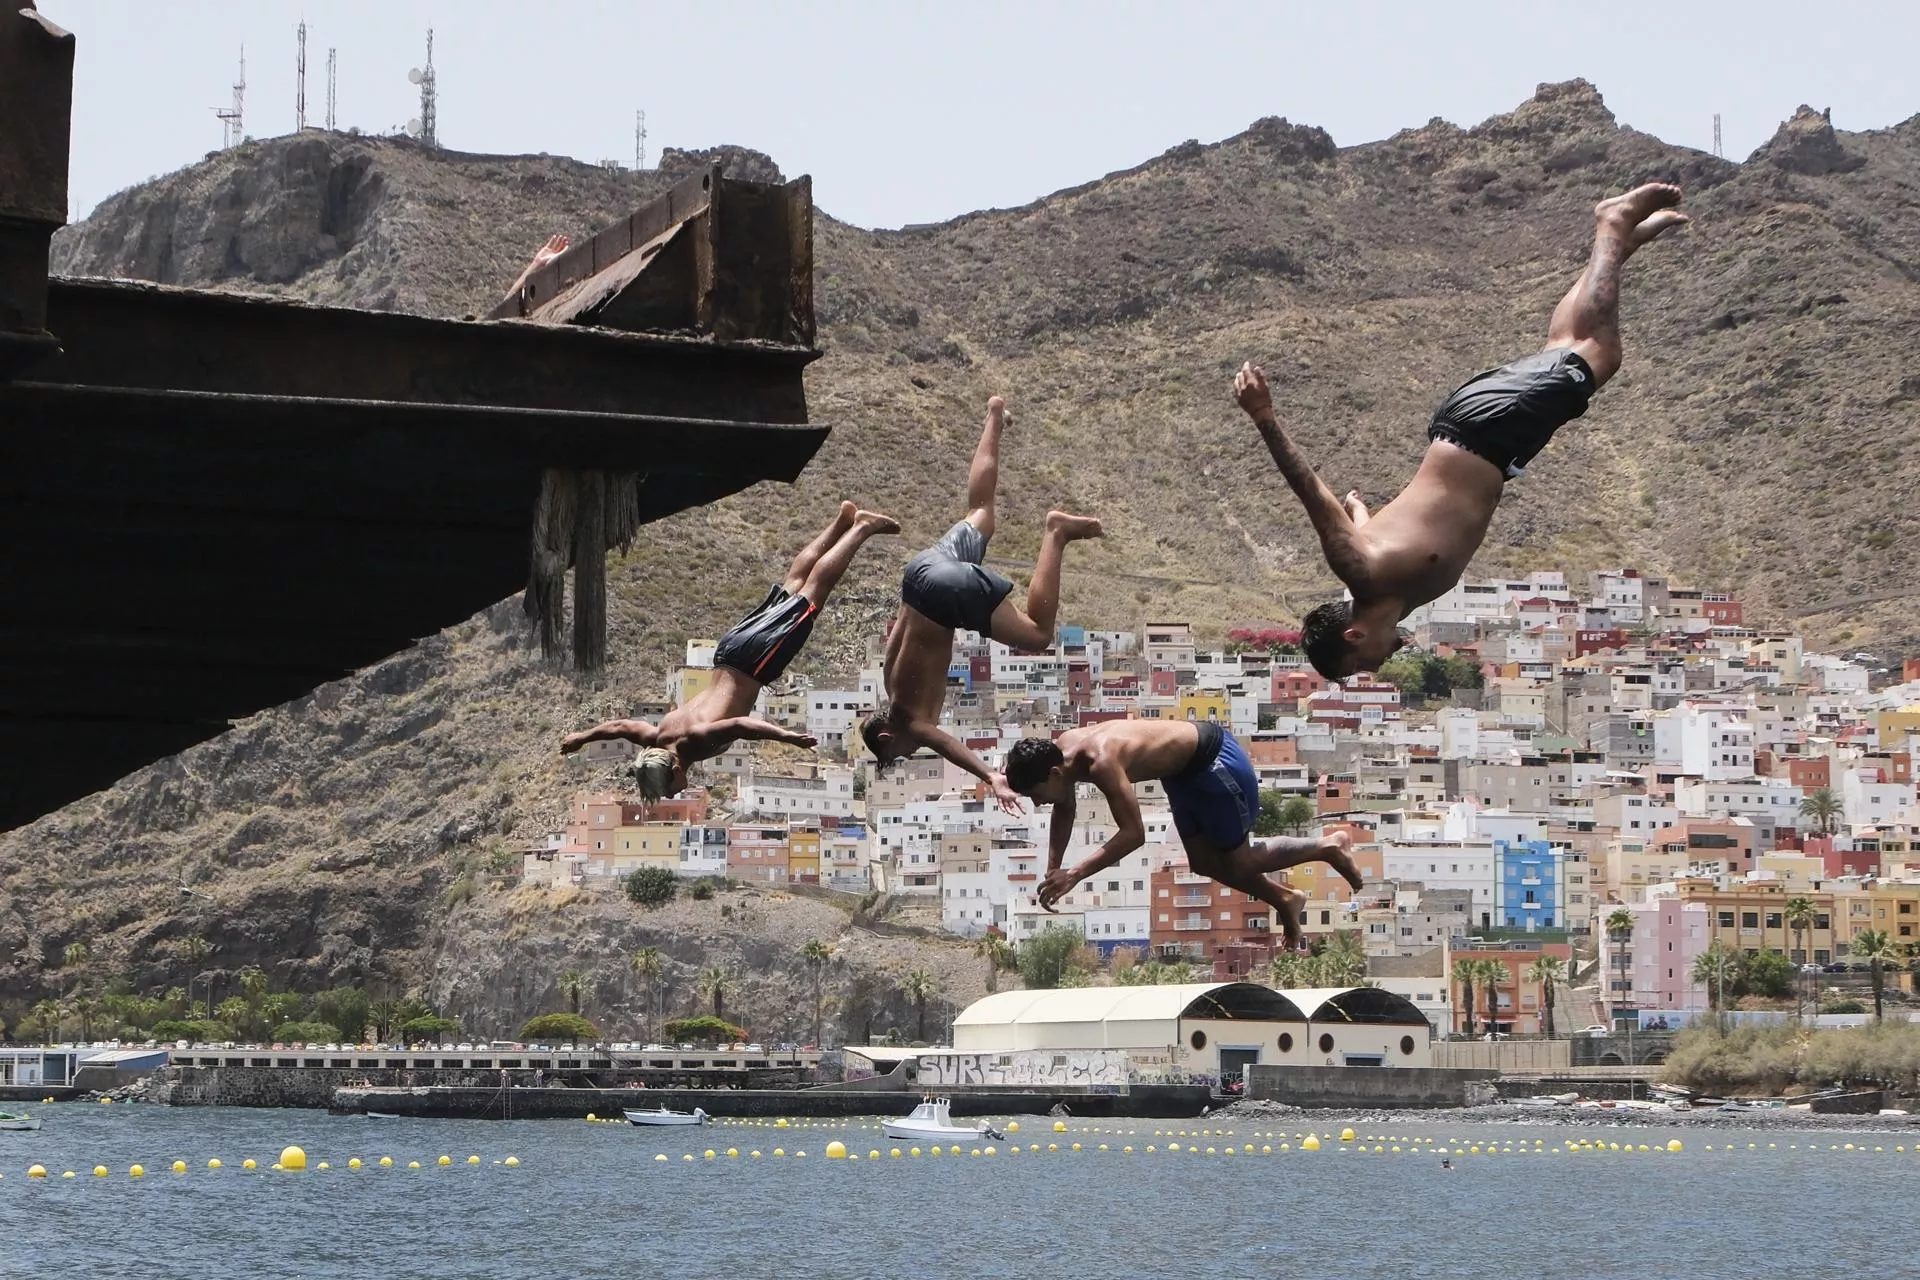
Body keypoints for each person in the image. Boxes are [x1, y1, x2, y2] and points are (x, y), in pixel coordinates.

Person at [1233, 183, 1690, 681]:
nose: (1380, 664)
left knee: (1599, 350)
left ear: (1354, 635)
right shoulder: (1396, 593)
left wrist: (1264, 418)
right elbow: (1358, 518)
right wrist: (1359, 509)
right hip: (1496, 443)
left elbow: (1312, 496)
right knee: (1565, 345)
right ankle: (1615, 247)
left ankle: (1612, 225)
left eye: (1364, 663)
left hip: (1484, 430)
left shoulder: (1362, 571)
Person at [858, 396, 1102, 811]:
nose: (910, 751)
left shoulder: (909, 719)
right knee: (981, 511)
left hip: (943, 595)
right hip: (921, 573)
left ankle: (1056, 532)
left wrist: (991, 777)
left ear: (887, 735)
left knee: (1039, 634)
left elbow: (948, 745)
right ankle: (994, 414)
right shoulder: (889, 681)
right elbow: (899, 626)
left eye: (900, 752)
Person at [559, 501, 899, 799]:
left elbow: (739, 725)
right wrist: (581, 738)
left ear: (676, 770)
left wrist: (787, 738)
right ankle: (842, 520)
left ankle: (861, 527)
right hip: (728, 652)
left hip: (755, 661)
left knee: (812, 594)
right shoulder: (657, 735)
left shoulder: (695, 743)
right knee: (791, 586)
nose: (672, 795)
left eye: (668, 790)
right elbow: (618, 727)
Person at [1002, 719, 1362, 950]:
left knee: (1241, 861)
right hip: (1180, 774)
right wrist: (1053, 870)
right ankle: (1284, 900)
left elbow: (1133, 835)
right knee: (1204, 863)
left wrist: (1076, 874)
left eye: (1035, 794)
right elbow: (1065, 805)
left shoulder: (1101, 762)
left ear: (1052, 773)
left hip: (1215, 761)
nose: (1036, 803)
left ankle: (1329, 846)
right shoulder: (1062, 755)